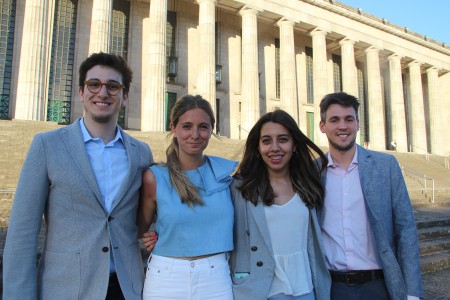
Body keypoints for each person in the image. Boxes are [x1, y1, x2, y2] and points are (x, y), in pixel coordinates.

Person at [3, 52, 153, 300]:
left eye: (113, 86)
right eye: (94, 84)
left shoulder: (141, 153)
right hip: (66, 289)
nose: (102, 93)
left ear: (125, 96)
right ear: (81, 92)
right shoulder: (47, 145)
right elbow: (22, 233)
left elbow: (144, 217)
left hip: (127, 289)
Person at [318, 92, 423, 300]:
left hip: (377, 287)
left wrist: (412, 293)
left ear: (358, 124)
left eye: (349, 119)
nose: (342, 126)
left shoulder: (386, 166)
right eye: (334, 120)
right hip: (330, 288)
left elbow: (405, 229)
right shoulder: (312, 172)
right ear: (322, 126)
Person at [138, 94, 237, 299]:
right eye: (187, 126)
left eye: (203, 126)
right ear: (173, 128)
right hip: (165, 278)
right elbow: (138, 229)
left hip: (216, 277)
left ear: (212, 129)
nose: (195, 134)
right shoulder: (154, 178)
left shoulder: (228, 173)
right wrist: (147, 238)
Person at [229, 109, 331, 300]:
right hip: (260, 291)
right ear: (258, 148)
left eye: (283, 139)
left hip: (305, 289)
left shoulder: (308, 184)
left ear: (294, 146)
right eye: (266, 141)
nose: (274, 147)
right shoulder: (240, 188)